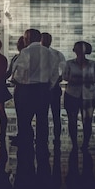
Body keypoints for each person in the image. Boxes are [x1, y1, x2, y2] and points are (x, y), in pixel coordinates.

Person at [13, 28, 58, 160]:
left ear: (28, 38)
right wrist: (48, 86)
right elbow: (55, 74)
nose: (24, 40)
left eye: (25, 38)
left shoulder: (26, 52)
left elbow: (20, 72)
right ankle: (42, 148)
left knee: (25, 120)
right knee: (42, 120)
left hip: (27, 90)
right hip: (43, 90)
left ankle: (27, 150)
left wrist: (20, 81)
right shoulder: (50, 53)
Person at [62, 41, 95, 151]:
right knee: (72, 120)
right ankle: (74, 143)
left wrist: (78, 79)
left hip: (89, 96)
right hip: (72, 95)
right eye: (77, 49)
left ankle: (85, 144)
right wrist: (84, 79)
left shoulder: (94, 64)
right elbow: (64, 77)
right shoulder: (69, 63)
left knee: (88, 121)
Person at [41, 32, 66, 146]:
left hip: (51, 88)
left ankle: (55, 138)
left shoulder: (57, 54)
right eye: (44, 39)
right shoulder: (55, 54)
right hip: (45, 87)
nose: (46, 41)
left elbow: (64, 71)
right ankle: (47, 138)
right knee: (44, 115)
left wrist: (57, 80)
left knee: (55, 115)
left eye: (48, 39)